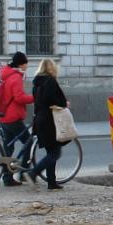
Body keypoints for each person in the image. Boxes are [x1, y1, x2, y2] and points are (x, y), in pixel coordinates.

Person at [28, 58, 68, 190]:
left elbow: (37, 101)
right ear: (51, 68)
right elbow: (53, 100)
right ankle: (33, 172)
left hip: (40, 119)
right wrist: (63, 103)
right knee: (55, 153)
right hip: (50, 121)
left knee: (51, 151)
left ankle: (52, 182)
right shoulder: (50, 81)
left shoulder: (36, 83)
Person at [0, 52, 35, 187]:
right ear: (21, 64)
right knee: (29, 142)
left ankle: (7, 179)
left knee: (8, 149)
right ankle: (23, 173)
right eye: (26, 63)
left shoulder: (6, 75)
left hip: (3, 116)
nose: (27, 65)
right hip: (13, 117)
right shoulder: (16, 77)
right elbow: (19, 97)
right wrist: (34, 98)